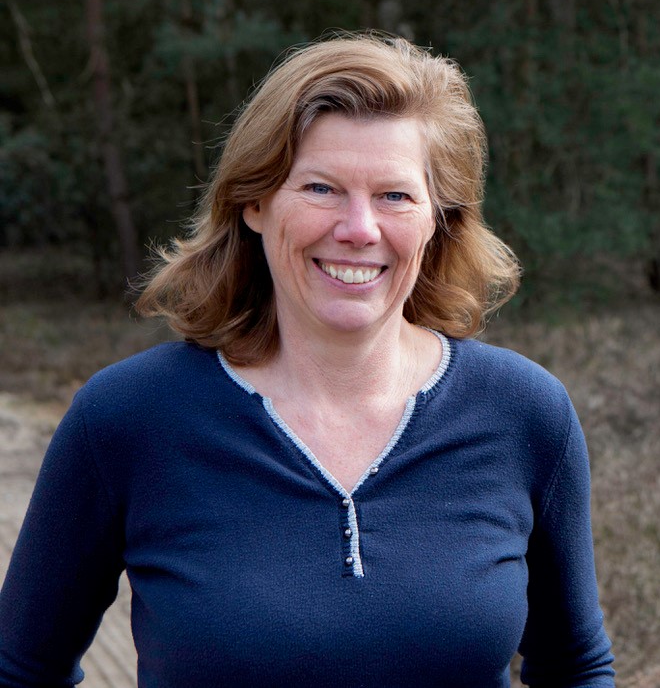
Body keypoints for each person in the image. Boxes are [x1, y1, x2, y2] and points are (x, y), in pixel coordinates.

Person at [0, 35, 615, 687]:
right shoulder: (128, 417)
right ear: (255, 202)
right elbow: (20, 668)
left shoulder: (523, 412)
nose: (358, 228)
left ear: (441, 218)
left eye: (395, 196)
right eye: (321, 187)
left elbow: (575, 667)